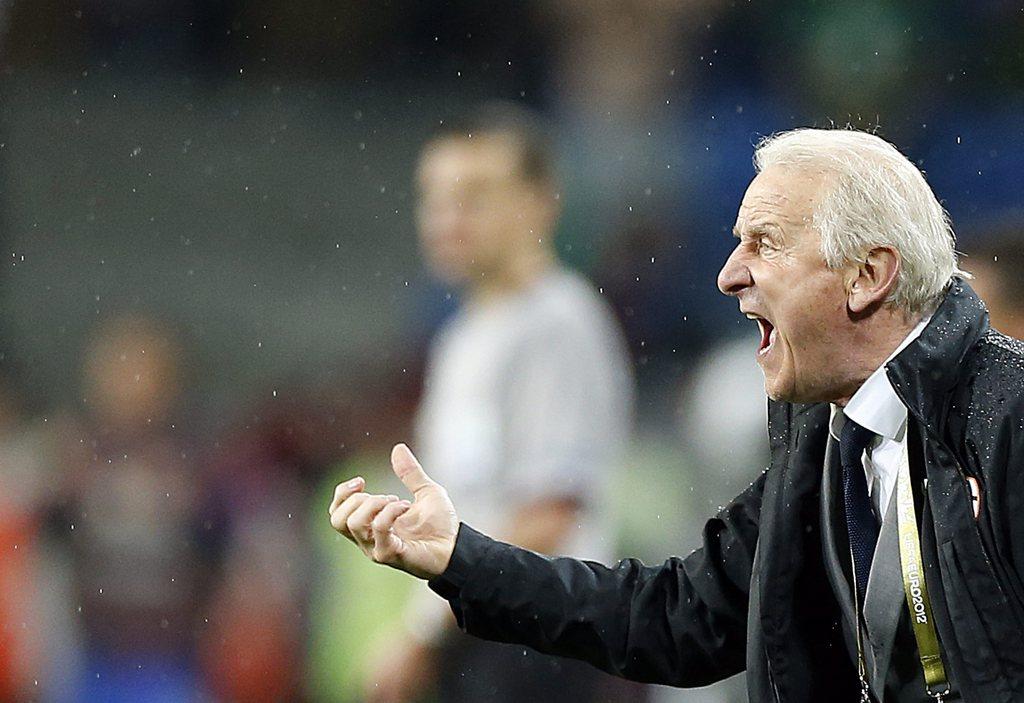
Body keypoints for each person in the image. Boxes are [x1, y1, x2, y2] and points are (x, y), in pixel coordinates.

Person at [329, 128, 1024, 702]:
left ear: (867, 276)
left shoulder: (1008, 414)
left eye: (765, 242)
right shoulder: (823, 438)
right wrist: (460, 557)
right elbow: (673, 618)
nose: (728, 273)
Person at [359, 104, 636, 703]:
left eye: (475, 195)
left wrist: (420, 635)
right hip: (481, 633)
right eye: (432, 198)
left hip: (538, 643)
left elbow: (551, 511)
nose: (446, 219)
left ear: (541, 203)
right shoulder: (463, 335)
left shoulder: (559, 322)